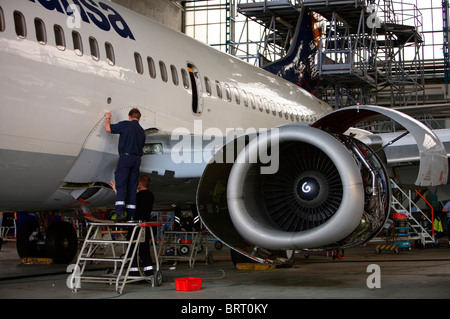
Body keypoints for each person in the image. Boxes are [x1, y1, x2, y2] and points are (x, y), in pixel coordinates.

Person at [105, 108, 146, 222]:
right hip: (137, 159)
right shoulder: (142, 131)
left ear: (129, 117)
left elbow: (108, 128)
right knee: (133, 187)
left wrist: (108, 117)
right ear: (139, 118)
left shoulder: (126, 125)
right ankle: (131, 215)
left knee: (121, 185)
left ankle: (120, 213)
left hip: (126, 158)